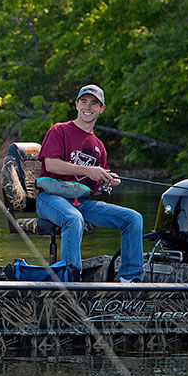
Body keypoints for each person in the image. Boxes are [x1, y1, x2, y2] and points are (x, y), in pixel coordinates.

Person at [36, 84, 143, 282]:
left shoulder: (99, 147)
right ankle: (71, 280)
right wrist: (89, 170)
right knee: (73, 219)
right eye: (84, 102)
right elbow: (51, 165)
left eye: (94, 103)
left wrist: (107, 182)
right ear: (76, 105)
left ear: (101, 109)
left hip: (80, 203)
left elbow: (92, 187)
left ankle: (130, 280)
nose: (88, 107)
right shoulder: (59, 130)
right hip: (50, 199)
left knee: (133, 218)